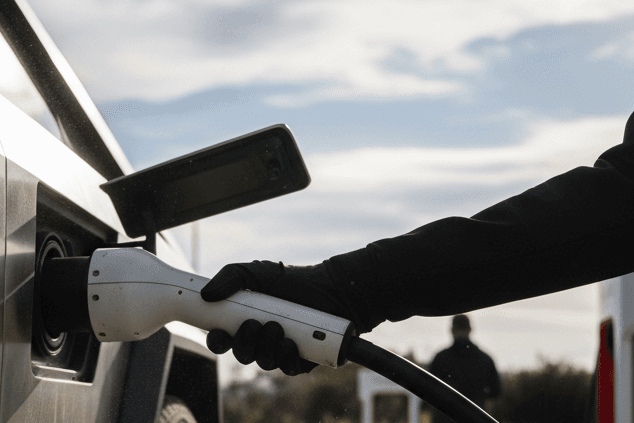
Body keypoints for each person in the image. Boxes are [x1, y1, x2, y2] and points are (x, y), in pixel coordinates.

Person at [200, 112, 634, 377]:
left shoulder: (446, 357)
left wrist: (350, 288)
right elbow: (612, 206)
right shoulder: (481, 360)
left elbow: (613, 205)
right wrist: (346, 289)